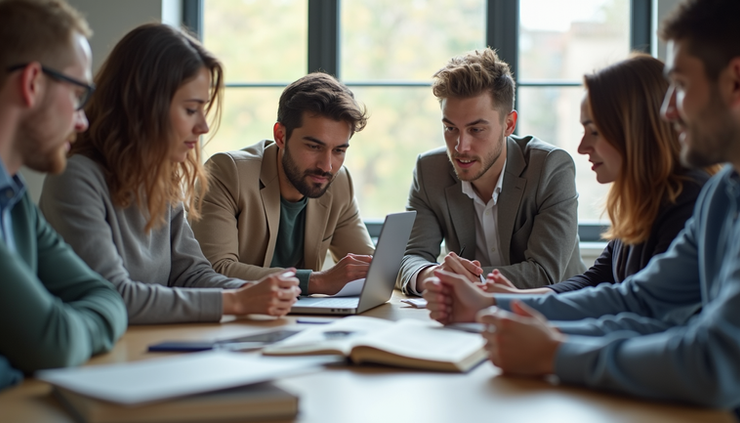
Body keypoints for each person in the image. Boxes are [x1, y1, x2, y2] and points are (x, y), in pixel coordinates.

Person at [423, 0, 740, 408]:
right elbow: (635, 297)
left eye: (680, 84)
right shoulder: (722, 194)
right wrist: (492, 304)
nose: (668, 110)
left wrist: (554, 352)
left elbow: (713, 361)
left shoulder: (697, 196)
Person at [39, 23, 300, 325]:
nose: (203, 126)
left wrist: (253, 291)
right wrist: (237, 301)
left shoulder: (161, 178)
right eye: (191, 110)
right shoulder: (76, 178)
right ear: (143, 107)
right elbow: (114, 295)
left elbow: (190, 273)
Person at [484, 54, 713, 295]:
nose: (582, 147)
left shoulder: (689, 201)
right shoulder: (643, 199)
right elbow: (596, 279)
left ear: (636, 130)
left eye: (594, 131)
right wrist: (513, 298)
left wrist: (509, 304)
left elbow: (642, 308)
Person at [0, 0, 126, 387]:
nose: (82, 120)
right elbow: (50, 342)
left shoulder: (16, 201)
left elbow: (106, 297)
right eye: (77, 95)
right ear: (32, 83)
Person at [398, 47, 585, 296]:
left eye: (476, 130)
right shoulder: (429, 170)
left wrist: (462, 279)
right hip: (466, 317)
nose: (460, 147)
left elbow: (543, 273)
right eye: (450, 128)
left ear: (508, 124)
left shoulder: (551, 167)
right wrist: (431, 274)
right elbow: (410, 258)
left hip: (551, 315)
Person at [190, 73, 375, 297]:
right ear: (280, 136)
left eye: (339, 150)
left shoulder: (340, 182)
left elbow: (370, 267)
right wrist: (315, 281)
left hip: (301, 320)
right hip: (237, 319)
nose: (326, 166)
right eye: (314, 147)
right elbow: (214, 270)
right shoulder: (227, 172)